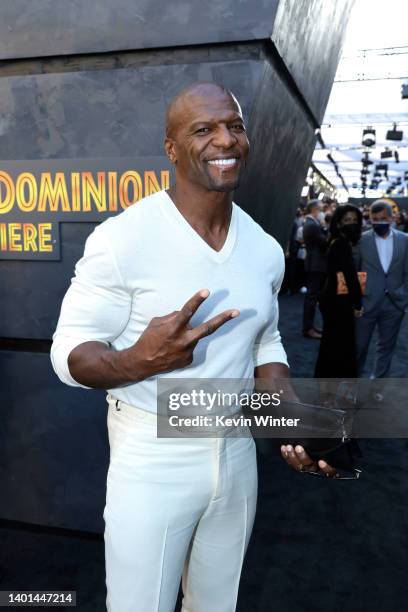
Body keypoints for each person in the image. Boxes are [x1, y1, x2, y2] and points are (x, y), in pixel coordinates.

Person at [51, 82, 339, 612]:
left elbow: (266, 341)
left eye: (234, 126)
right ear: (172, 149)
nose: (224, 141)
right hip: (152, 457)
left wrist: (289, 420)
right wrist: (138, 359)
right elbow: (67, 351)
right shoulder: (123, 239)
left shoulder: (264, 248)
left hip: (236, 453)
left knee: (216, 603)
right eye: (202, 130)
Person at [355, 200, 408, 378]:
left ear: (392, 217)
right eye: (375, 219)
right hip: (366, 303)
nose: (379, 222)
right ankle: (352, 386)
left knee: (386, 347)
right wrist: (355, 301)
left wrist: (404, 299)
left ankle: (376, 386)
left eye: (383, 218)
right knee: (359, 346)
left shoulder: (405, 240)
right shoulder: (362, 240)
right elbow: (355, 271)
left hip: (395, 304)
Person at [314, 204, 364, 378]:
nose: (351, 223)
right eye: (347, 220)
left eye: (355, 220)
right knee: (336, 348)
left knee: (331, 346)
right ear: (339, 222)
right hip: (338, 302)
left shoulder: (335, 240)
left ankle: (326, 392)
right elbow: (350, 276)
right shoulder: (342, 243)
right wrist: (358, 303)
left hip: (332, 299)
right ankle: (328, 394)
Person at [302, 199, 328, 339]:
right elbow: (324, 242)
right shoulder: (312, 224)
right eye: (320, 208)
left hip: (315, 264)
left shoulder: (312, 223)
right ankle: (308, 329)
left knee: (312, 297)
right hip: (315, 265)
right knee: (312, 298)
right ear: (314, 209)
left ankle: (310, 326)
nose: (322, 211)